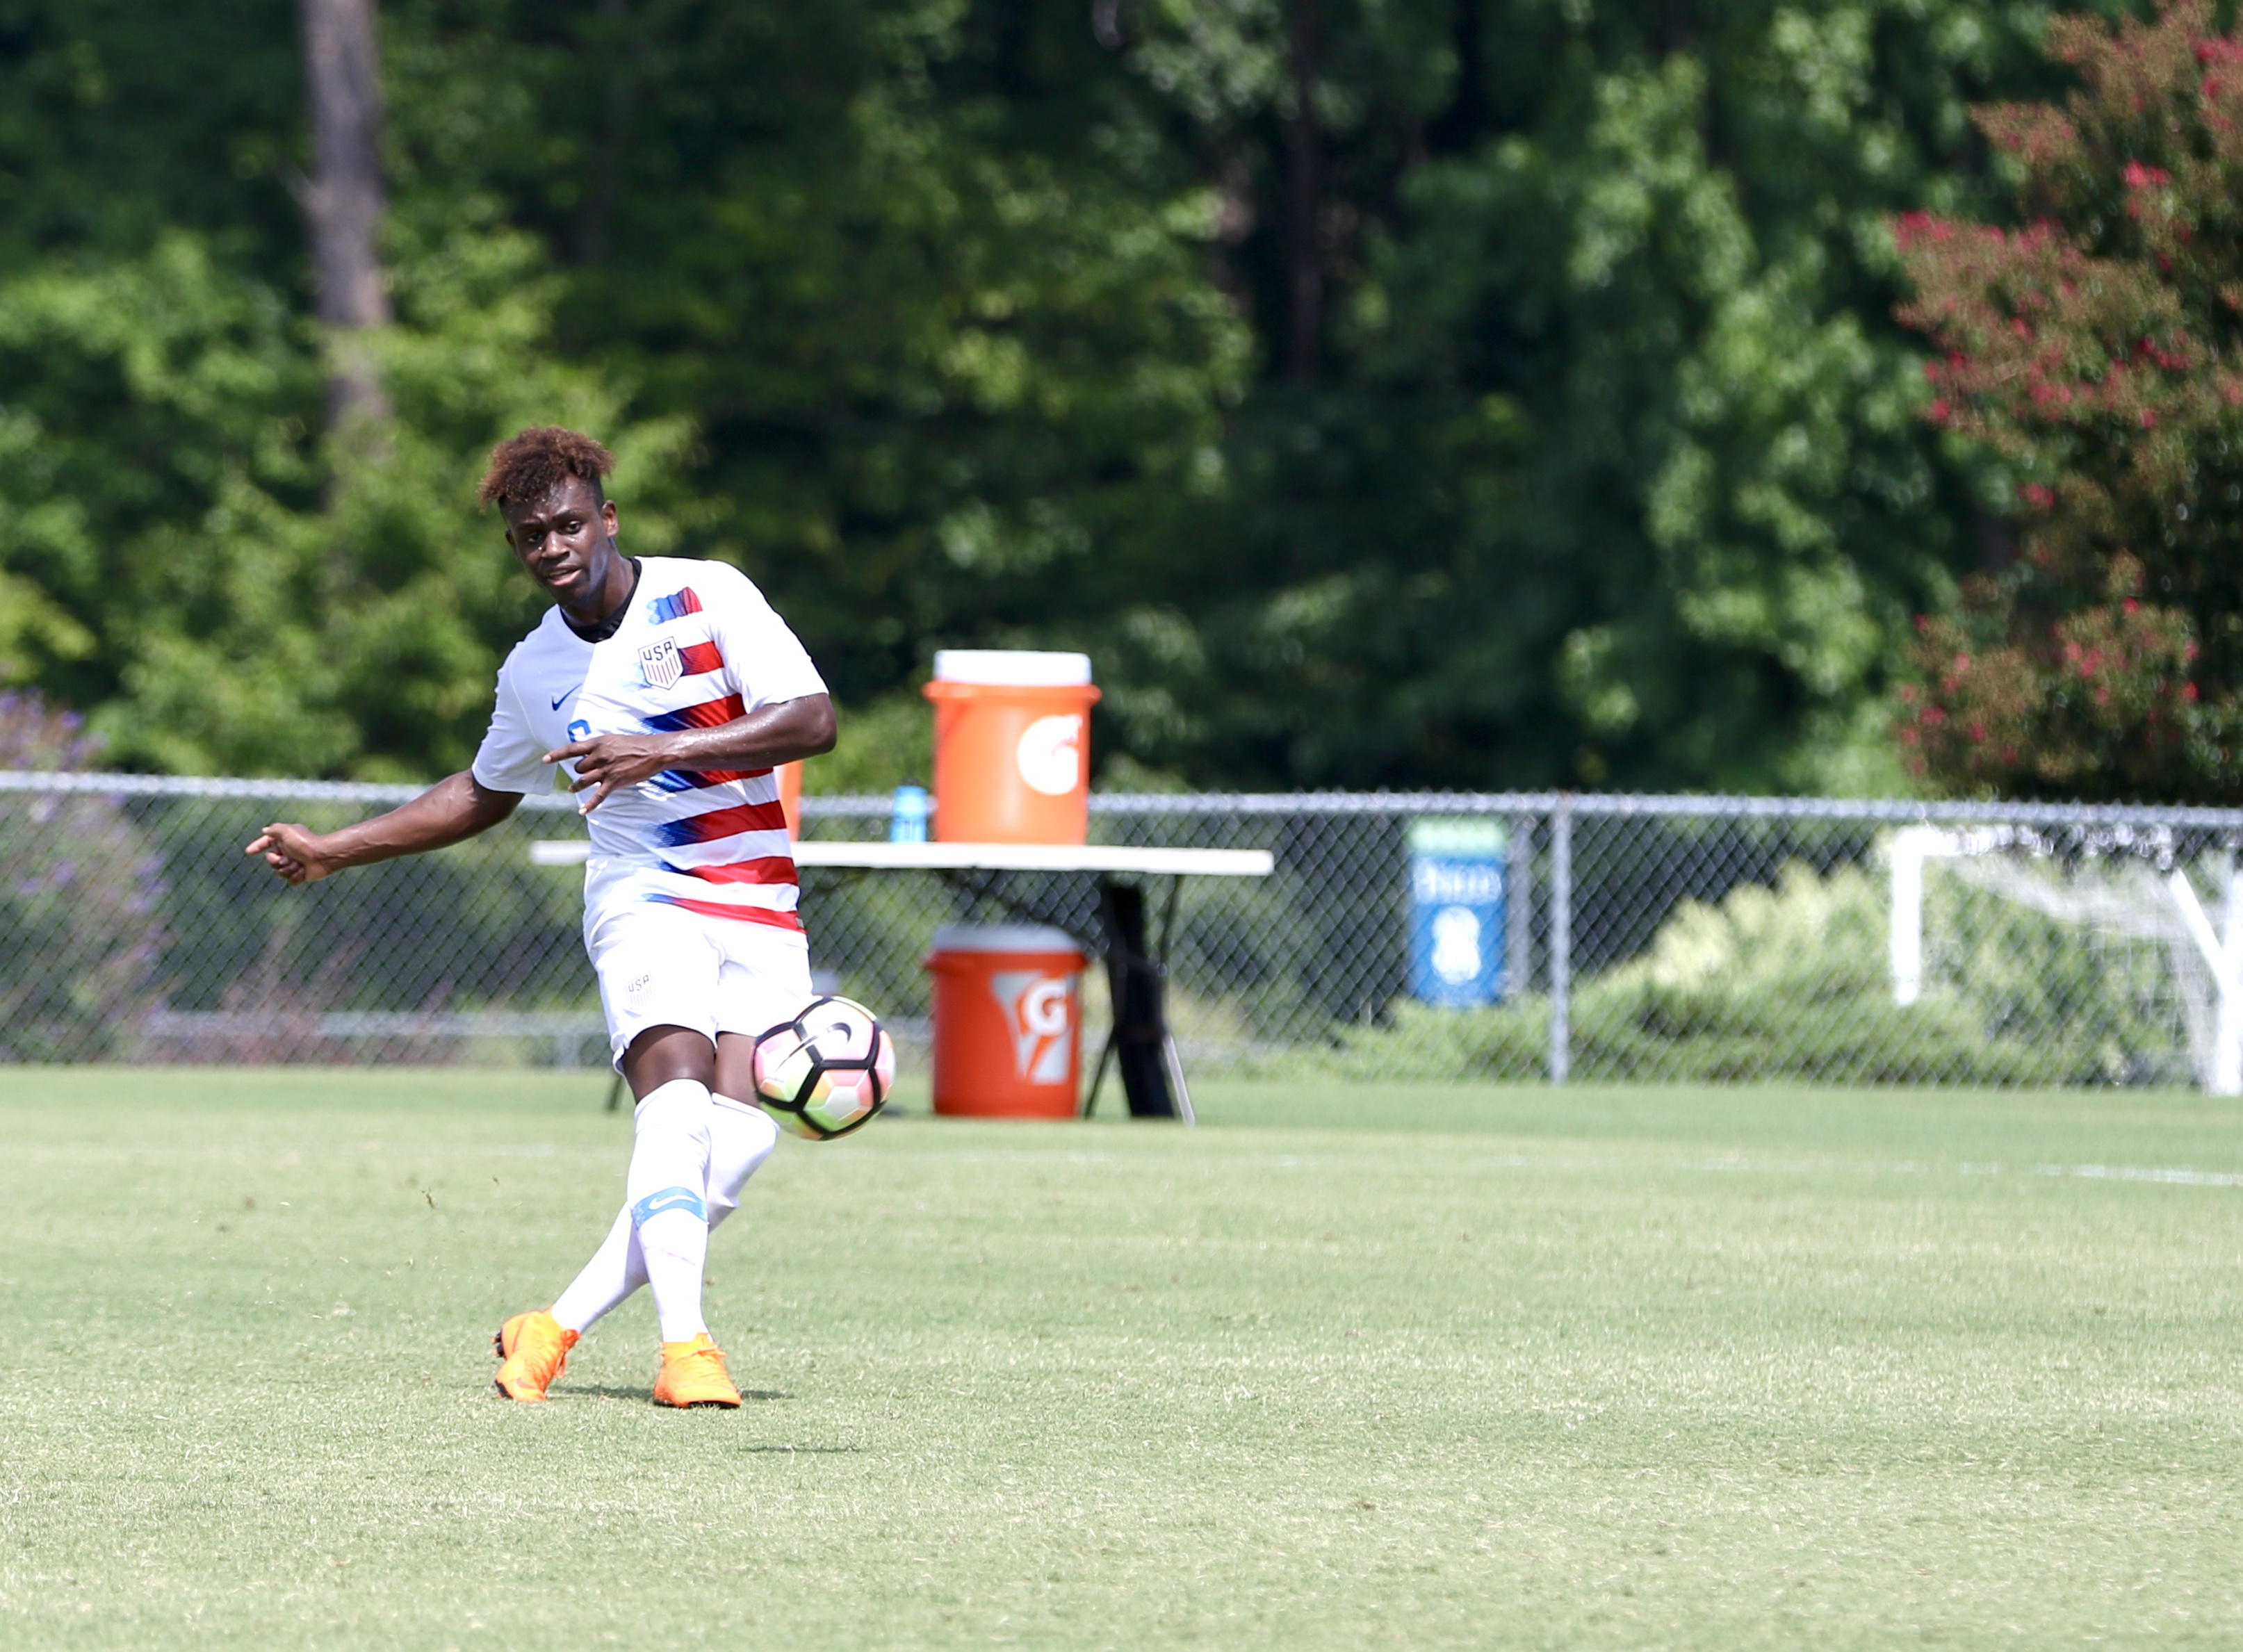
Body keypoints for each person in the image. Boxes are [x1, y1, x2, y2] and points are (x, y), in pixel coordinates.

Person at [247, 426, 836, 1409]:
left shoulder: (710, 594)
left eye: (567, 523)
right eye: (530, 536)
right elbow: (482, 792)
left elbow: (812, 719)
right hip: (643, 896)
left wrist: (660, 753)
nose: (552, 545)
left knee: (739, 1145)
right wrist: (332, 849)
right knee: (676, 1101)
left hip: (759, 900)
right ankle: (686, 1347)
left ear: (607, 519)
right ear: (518, 549)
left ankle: (553, 1326)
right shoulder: (533, 671)